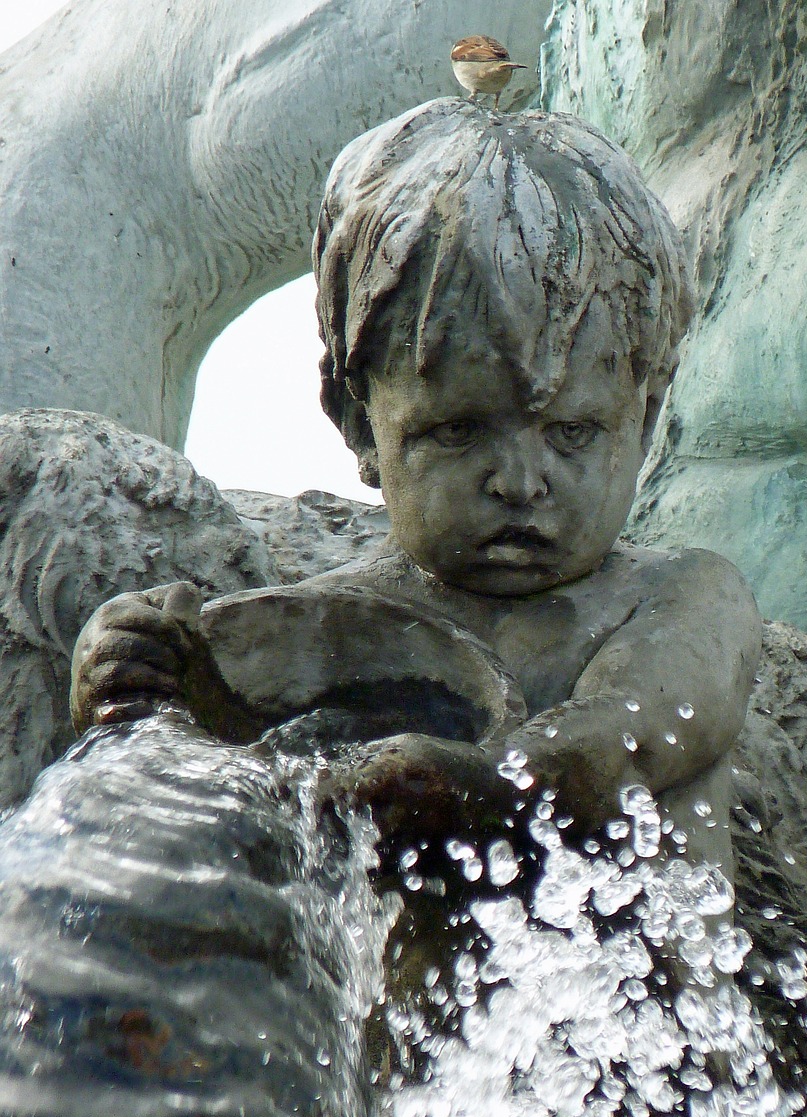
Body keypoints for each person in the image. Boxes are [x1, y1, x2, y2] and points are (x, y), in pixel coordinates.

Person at [70, 98, 762, 886]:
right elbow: (192, 798)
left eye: (571, 433)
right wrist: (144, 687)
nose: (520, 483)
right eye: (458, 432)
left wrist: (486, 787)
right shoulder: (328, 632)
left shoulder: (682, 598)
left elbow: (620, 740)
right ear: (357, 422)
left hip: (631, 995)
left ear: (645, 412)